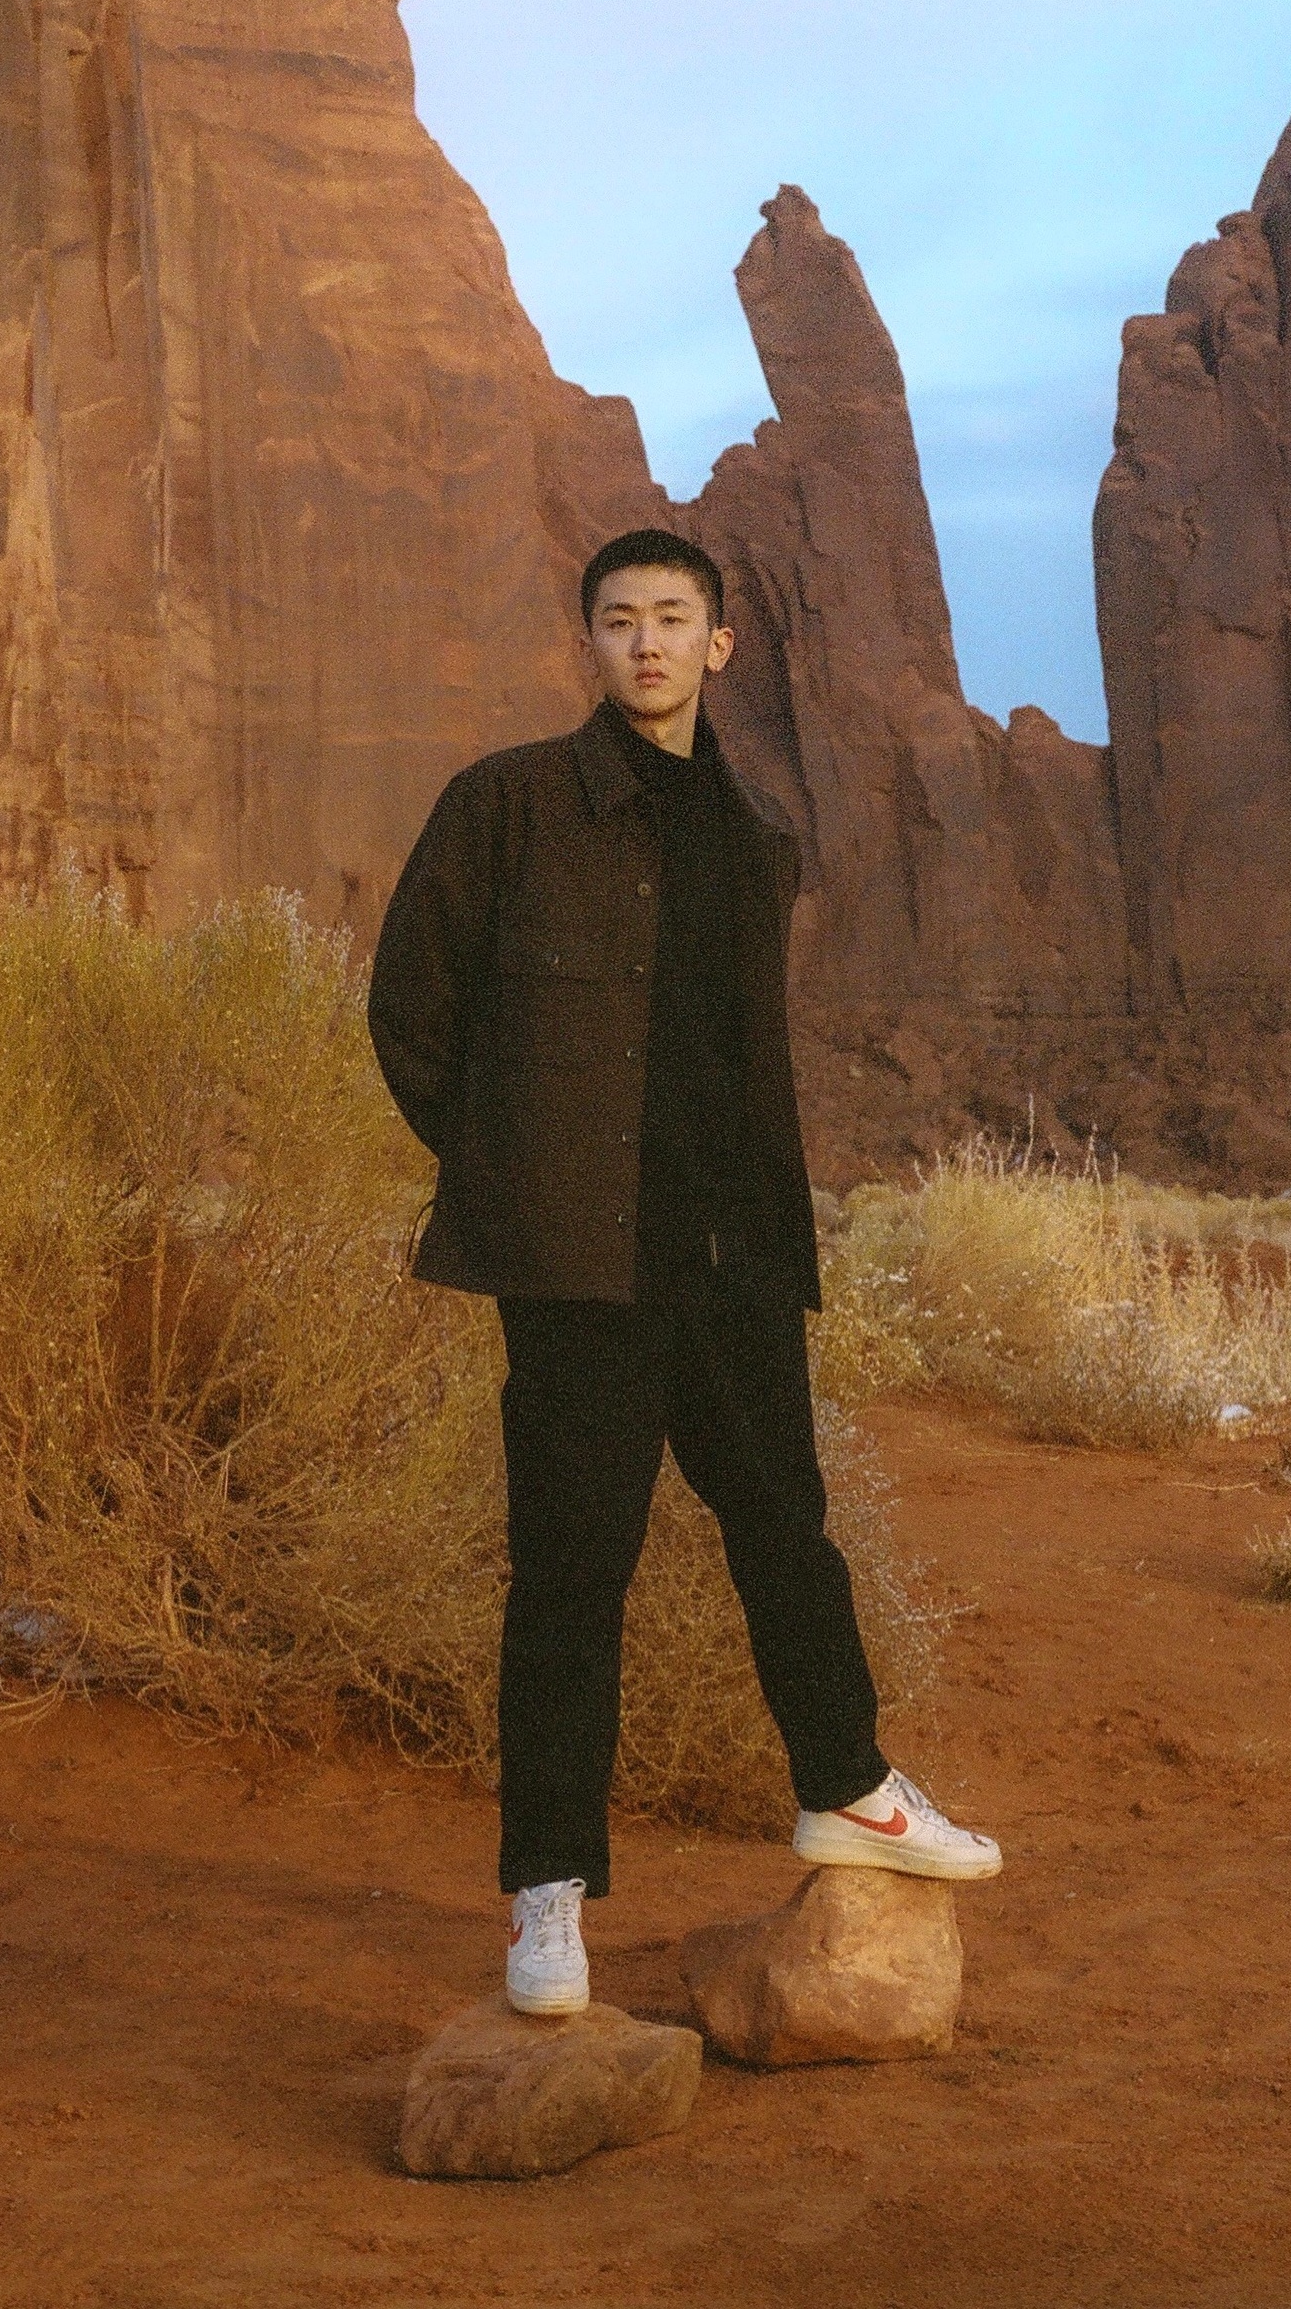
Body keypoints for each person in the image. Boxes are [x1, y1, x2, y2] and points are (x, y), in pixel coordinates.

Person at [368, 528, 1000, 2017]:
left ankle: (845, 1781)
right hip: (581, 1268)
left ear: (719, 644)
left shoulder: (753, 835)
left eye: (672, 619)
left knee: (791, 1530)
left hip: (732, 1264)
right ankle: (547, 1896)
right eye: (618, 620)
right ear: (587, 644)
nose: (645, 643)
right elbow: (408, 1005)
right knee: (572, 1577)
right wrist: (509, 1170)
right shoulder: (510, 805)